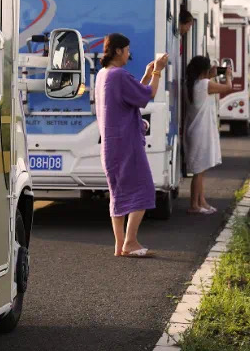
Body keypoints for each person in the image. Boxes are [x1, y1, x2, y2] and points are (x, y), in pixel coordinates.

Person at [95, 33, 168, 258]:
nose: (129, 54)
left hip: (110, 145)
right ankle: (131, 242)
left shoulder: (103, 74)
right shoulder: (119, 74)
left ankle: (120, 244)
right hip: (128, 143)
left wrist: (145, 75)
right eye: (127, 50)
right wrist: (157, 71)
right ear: (118, 50)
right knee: (143, 189)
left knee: (117, 193)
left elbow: (133, 95)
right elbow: (147, 95)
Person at [184, 56, 231, 214]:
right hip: (201, 132)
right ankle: (194, 205)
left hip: (195, 130)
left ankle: (201, 202)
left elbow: (204, 86)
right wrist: (228, 76)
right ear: (204, 70)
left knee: (200, 170)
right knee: (199, 172)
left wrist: (209, 75)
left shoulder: (191, 84)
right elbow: (227, 87)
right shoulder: (205, 84)